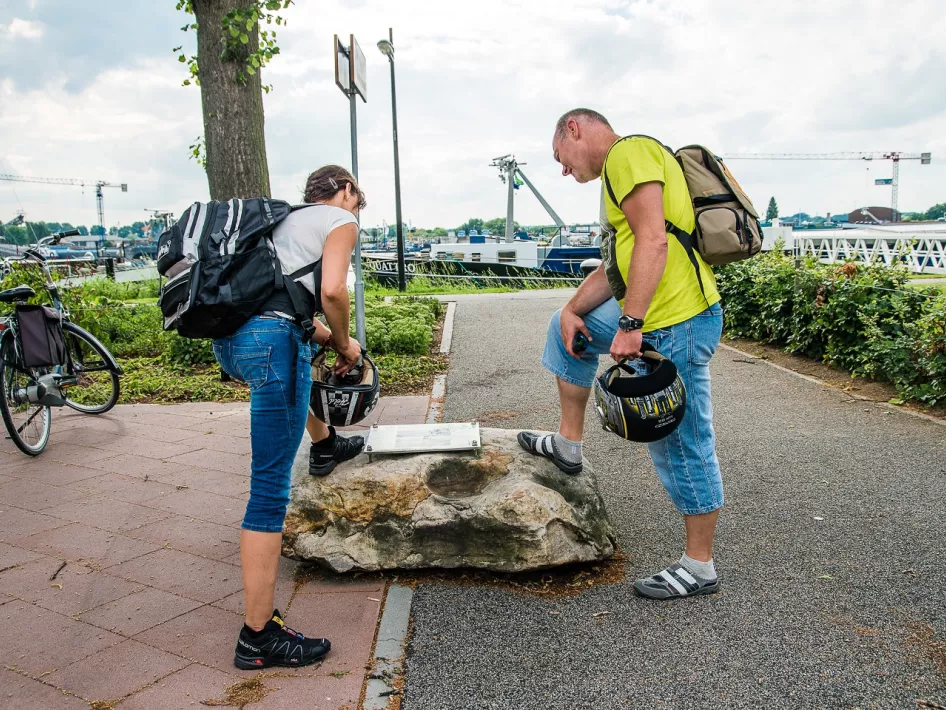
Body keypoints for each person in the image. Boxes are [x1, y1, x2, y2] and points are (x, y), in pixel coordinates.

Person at [518, 109, 725, 600]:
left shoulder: (627, 153)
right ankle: (568, 444)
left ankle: (699, 566)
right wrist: (571, 308)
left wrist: (631, 325)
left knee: (680, 439)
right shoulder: (621, 170)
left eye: (559, 158)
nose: (564, 170)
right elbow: (620, 265)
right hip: (657, 315)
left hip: (674, 320)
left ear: (575, 129)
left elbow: (654, 240)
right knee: (569, 326)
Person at [212, 165, 367, 669]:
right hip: (272, 345)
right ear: (344, 191)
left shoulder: (282, 219)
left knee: (296, 373)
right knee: (268, 494)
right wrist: (346, 344)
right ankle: (257, 638)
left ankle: (324, 446)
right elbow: (332, 294)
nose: (356, 212)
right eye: (356, 201)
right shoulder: (337, 220)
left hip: (233, 346)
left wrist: (327, 340)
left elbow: (285, 298)